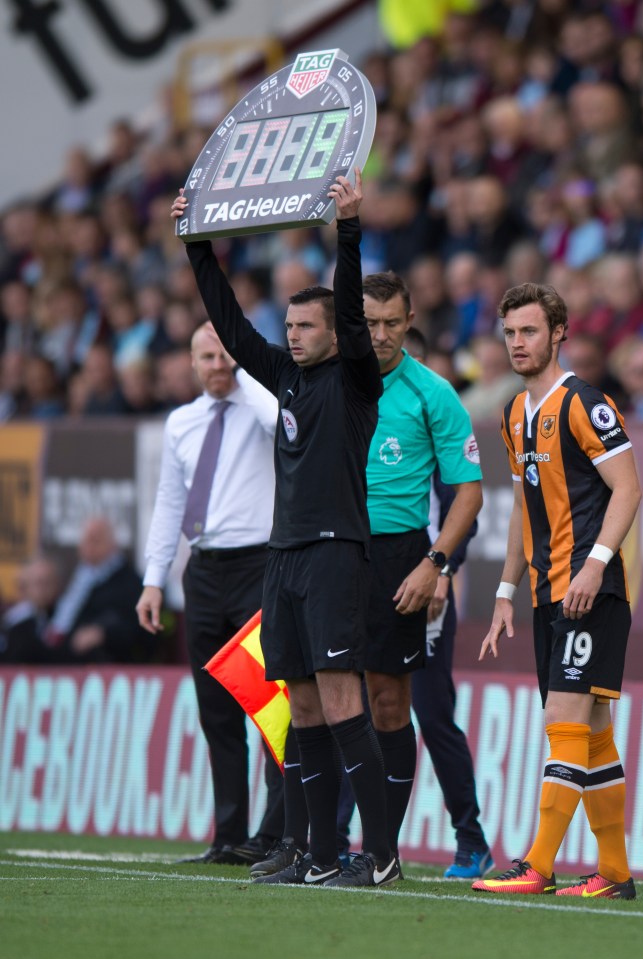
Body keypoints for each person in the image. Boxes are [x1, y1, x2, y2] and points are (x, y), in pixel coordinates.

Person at [172, 171, 399, 888]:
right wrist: (197, 248)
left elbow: (355, 321)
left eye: (307, 328)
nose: (293, 337)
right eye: (292, 327)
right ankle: (318, 851)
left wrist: (349, 229)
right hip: (284, 557)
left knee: (339, 700)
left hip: (336, 553)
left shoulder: (356, 378)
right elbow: (234, 327)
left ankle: (382, 854)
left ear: (336, 333)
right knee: (299, 706)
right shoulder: (287, 376)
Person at [473, 282, 642, 900]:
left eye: (529, 332)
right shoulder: (515, 416)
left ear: (558, 333)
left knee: (563, 721)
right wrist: (504, 589)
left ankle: (538, 865)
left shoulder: (584, 403)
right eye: (510, 333)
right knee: (591, 732)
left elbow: (627, 488)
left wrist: (597, 565)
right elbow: (524, 506)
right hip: (548, 593)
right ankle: (615, 874)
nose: (518, 344)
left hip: (591, 591)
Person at [136, 321, 284, 866]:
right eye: (207, 357)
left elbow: (283, 425)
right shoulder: (183, 422)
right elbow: (169, 505)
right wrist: (154, 580)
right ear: (192, 364)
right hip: (202, 571)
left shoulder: (263, 405)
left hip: (259, 564)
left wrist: (249, 380)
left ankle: (274, 834)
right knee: (215, 709)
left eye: (225, 356)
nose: (218, 366)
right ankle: (228, 834)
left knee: (273, 707)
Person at [360, 270, 483, 869]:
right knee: (348, 705)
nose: (382, 337)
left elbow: (467, 504)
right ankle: (344, 840)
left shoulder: (433, 403)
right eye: (371, 325)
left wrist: (442, 569)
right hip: (367, 570)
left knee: (431, 713)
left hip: (424, 577)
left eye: (393, 326)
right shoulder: (351, 395)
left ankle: (471, 838)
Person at [50, 516, 149, 663]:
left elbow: (133, 627)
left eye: (95, 540)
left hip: (103, 664)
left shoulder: (129, 582)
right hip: (60, 654)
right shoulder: (79, 575)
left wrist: (102, 633)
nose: (88, 546)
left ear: (113, 544)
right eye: (85, 540)